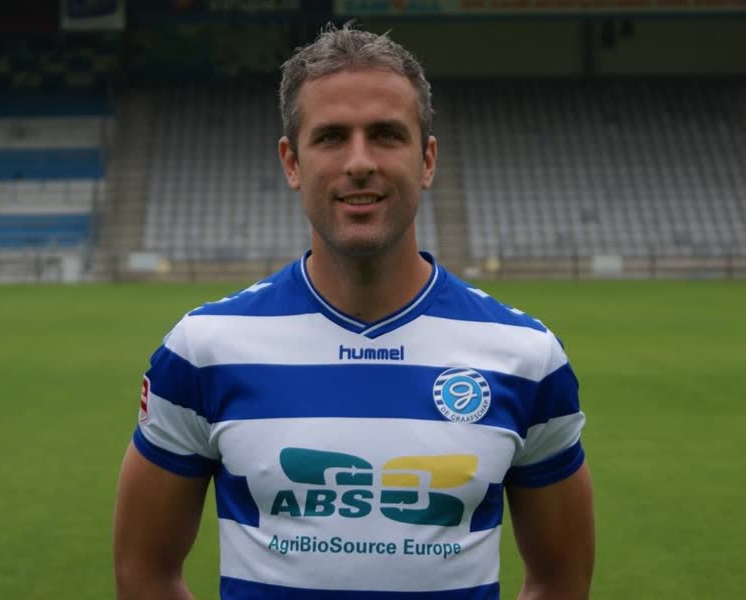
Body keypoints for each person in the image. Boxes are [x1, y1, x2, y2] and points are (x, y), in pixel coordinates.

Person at [113, 22, 594, 600]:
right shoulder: (203, 350)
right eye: (332, 137)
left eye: (387, 135)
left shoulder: (527, 357)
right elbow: (144, 571)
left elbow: (560, 579)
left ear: (427, 160)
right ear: (292, 162)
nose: (360, 162)